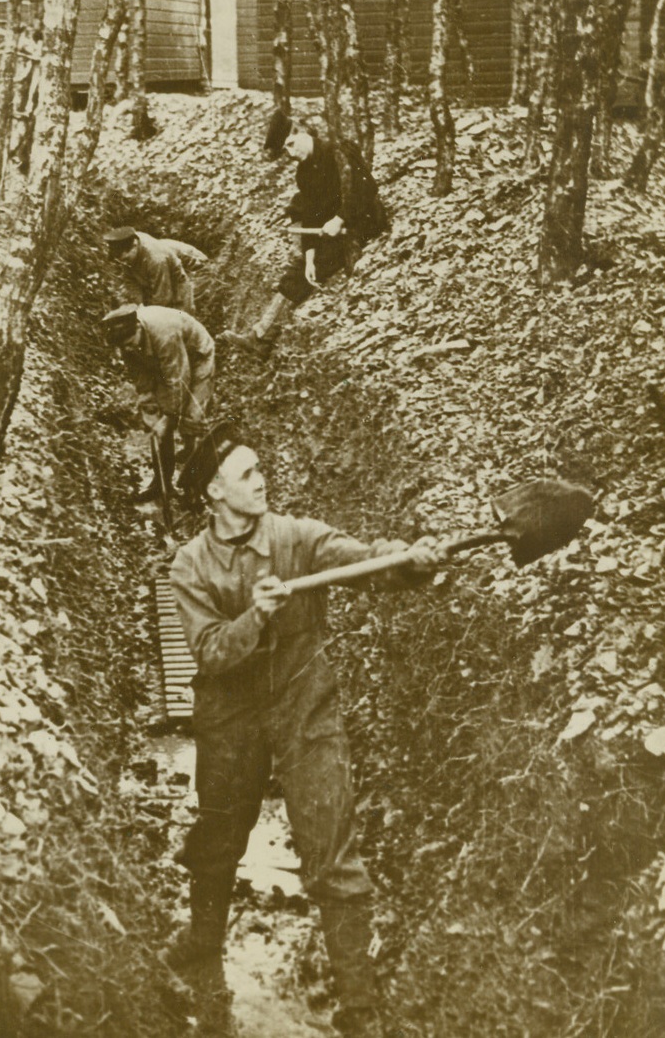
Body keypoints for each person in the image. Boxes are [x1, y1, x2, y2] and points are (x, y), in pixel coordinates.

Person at [167, 421, 444, 1037]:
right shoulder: (189, 565)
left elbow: (364, 560)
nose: (262, 480)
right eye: (247, 473)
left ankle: (359, 1004)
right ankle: (203, 942)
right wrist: (255, 618)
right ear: (214, 492)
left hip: (303, 706)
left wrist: (411, 560)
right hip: (229, 717)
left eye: (262, 468)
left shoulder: (296, 537)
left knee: (332, 853)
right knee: (217, 839)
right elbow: (209, 652)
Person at [222, 111, 390, 360]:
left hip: (363, 223)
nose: (291, 153)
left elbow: (366, 189)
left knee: (308, 268)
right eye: (285, 150)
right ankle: (260, 337)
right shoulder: (304, 172)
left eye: (291, 144)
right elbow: (311, 215)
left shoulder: (339, 151)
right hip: (336, 229)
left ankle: (261, 338)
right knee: (302, 267)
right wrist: (310, 257)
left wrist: (339, 218)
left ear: (303, 131)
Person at [102, 304, 215, 503]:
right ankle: (162, 483)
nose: (127, 349)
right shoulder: (127, 343)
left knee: (192, 417)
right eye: (122, 347)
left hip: (196, 357)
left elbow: (179, 378)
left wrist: (170, 417)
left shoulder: (165, 334)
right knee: (158, 423)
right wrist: (150, 408)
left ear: (138, 329)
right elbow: (140, 375)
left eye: (129, 343)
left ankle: (194, 486)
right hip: (159, 364)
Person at [105, 226, 196, 314]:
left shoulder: (156, 258)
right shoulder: (128, 242)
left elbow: (162, 296)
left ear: (134, 245)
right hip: (151, 284)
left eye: (126, 259)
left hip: (176, 290)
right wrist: (139, 305)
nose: (124, 263)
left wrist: (148, 314)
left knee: (177, 322)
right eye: (121, 261)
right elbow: (131, 281)